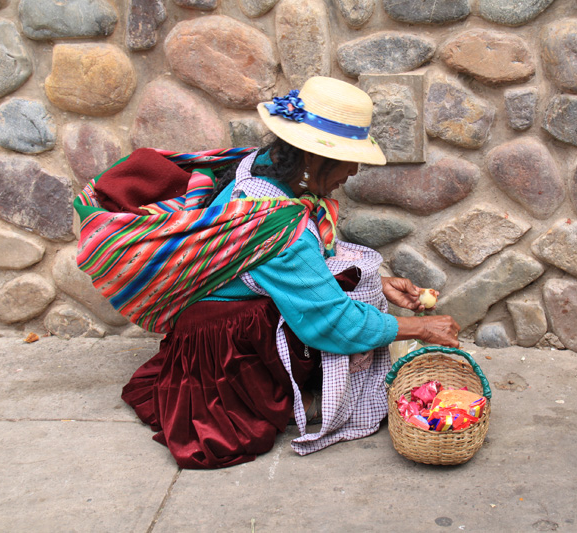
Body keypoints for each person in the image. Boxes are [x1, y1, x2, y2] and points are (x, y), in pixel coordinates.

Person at [79, 77, 460, 469]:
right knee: (341, 330)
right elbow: (332, 322)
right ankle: (273, 398)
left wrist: (379, 284)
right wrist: (420, 328)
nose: (354, 170)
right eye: (350, 158)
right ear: (314, 158)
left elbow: (299, 274)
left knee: (349, 292)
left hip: (212, 317)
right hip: (223, 346)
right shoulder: (278, 226)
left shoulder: (259, 164)